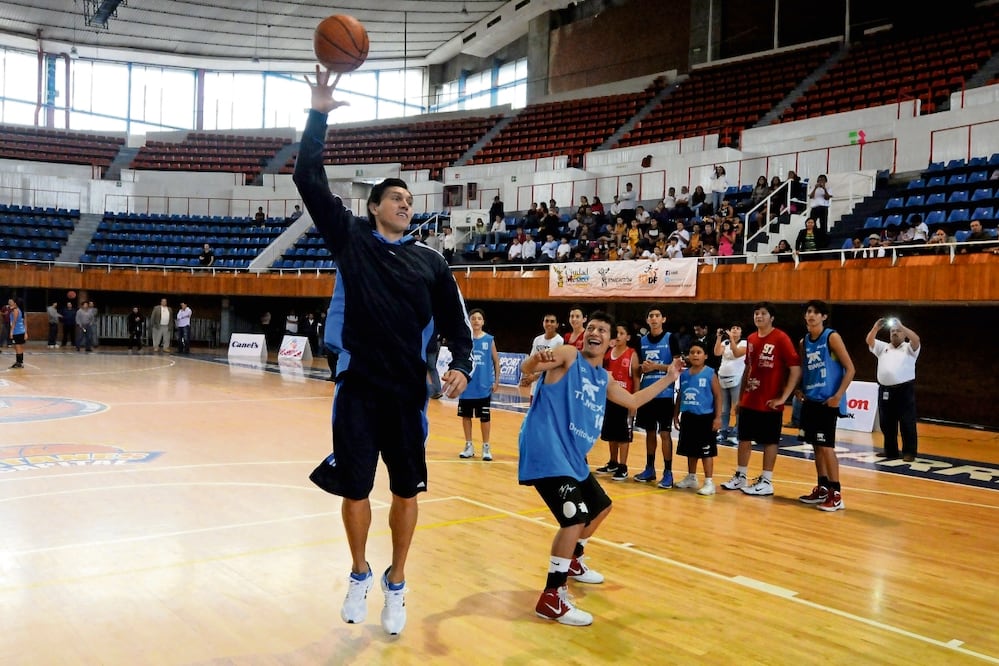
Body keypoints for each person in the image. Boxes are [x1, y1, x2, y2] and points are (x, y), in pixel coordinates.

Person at [295, 66, 474, 637]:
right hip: (358, 387)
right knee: (354, 488)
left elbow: (455, 322)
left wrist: (464, 366)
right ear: (373, 207)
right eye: (395, 197)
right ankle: (358, 572)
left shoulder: (431, 262)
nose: (405, 203)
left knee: (405, 490)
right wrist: (318, 112)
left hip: (407, 394)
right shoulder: (351, 240)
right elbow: (308, 178)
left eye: (408, 198)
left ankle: (397, 581)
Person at [518, 311, 683, 626]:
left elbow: (633, 401)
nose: (595, 332)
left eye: (602, 329)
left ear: (611, 340)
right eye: (591, 327)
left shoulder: (603, 378)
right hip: (547, 450)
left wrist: (669, 377)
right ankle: (552, 597)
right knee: (573, 519)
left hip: (572, 458)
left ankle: (573, 559)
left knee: (601, 508)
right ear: (585, 335)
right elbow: (531, 369)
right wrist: (534, 361)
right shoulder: (567, 355)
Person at [720, 302, 801, 496]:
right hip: (750, 399)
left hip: (770, 401)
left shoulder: (781, 338)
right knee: (744, 438)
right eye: (756, 313)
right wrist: (740, 399)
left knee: (770, 440)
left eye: (763, 314)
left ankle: (766, 480)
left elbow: (795, 368)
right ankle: (741, 476)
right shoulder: (751, 338)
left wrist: (784, 397)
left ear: (771, 317)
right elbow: (748, 368)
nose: (758, 316)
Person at [796, 300, 856, 512]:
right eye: (808, 312)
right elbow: (805, 369)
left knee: (826, 446)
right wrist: (800, 388)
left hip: (827, 401)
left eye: (815, 312)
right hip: (811, 400)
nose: (811, 315)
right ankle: (822, 488)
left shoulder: (831, 337)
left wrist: (838, 396)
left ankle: (836, 494)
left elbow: (850, 369)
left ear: (823, 317)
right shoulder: (804, 342)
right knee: (816, 446)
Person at [633, 306, 681, 488]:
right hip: (647, 392)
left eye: (657, 315)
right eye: (650, 316)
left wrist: (656, 367)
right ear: (647, 320)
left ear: (663, 319)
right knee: (650, 432)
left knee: (665, 433)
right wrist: (642, 368)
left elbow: (677, 366)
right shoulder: (641, 341)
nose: (653, 318)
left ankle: (668, 472)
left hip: (665, 393)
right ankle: (649, 468)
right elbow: (636, 368)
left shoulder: (671, 338)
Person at [865, 317, 921, 462]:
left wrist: (902, 326)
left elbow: (916, 340)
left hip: (904, 390)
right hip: (885, 390)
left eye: (898, 331)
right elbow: (870, 341)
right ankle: (890, 451)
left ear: (904, 334)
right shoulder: (883, 347)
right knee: (886, 422)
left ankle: (909, 452)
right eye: (892, 331)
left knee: (906, 421)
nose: (895, 333)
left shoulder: (909, 348)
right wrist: (876, 328)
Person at [672, 339, 722, 495]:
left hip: (705, 418)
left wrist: (718, 417)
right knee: (690, 450)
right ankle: (691, 477)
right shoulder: (685, 374)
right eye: (692, 352)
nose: (695, 355)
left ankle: (709, 482)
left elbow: (718, 396)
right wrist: (676, 414)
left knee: (706, 451)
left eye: (698, 352)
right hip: (688, 416)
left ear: (705, 356)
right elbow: (680, 394)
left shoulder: (710, 373)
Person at [595, 322, 641, 481]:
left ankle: (623, 466)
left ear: (628, 337)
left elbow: (636, 379)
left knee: (623, 435)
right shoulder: (608, 353)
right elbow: (598, 366)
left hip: (625, 399)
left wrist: (634, 401)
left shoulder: (631, 354)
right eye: (617, 333)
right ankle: (613, 462)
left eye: (622, 333)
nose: (618, 336)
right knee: (610, 433)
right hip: (609, 398)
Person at [458, 309, 500, 461]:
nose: (476, 321)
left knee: (485, 418)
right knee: (466, 416)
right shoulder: (465, 340)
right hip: (466, 386)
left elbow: (496, 361)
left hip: (483, 387)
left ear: (483, 322)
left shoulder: (489, 340)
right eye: (473, 318)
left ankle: (486, 447)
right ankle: (468, 445)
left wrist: (496, 381)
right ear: (469, 321)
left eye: (479, 318)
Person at [714, 323, 746, 444]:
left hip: (737, 378)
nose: (735, 330)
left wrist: (732, 339)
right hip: (722, 377)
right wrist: (718, 337)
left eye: (738, 328)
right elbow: (717, 352)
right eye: (733, 328)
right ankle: (723, 431)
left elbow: (737, 352)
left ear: (741, 332)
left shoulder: (744, 343)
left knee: (737, 407)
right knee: (724, 408)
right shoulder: (725, 343)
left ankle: (737, 432)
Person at [7, 298, 26, 368]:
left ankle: (19, 363)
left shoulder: (15, 310)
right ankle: (20, 362)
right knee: (19, 347)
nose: (13, 303)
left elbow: (14, 322)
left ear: (16, 303)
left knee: (17, 347)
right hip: (21, 331)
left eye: (14, 302)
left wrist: (11, 332)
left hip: (17, 331)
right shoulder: (20, 310)